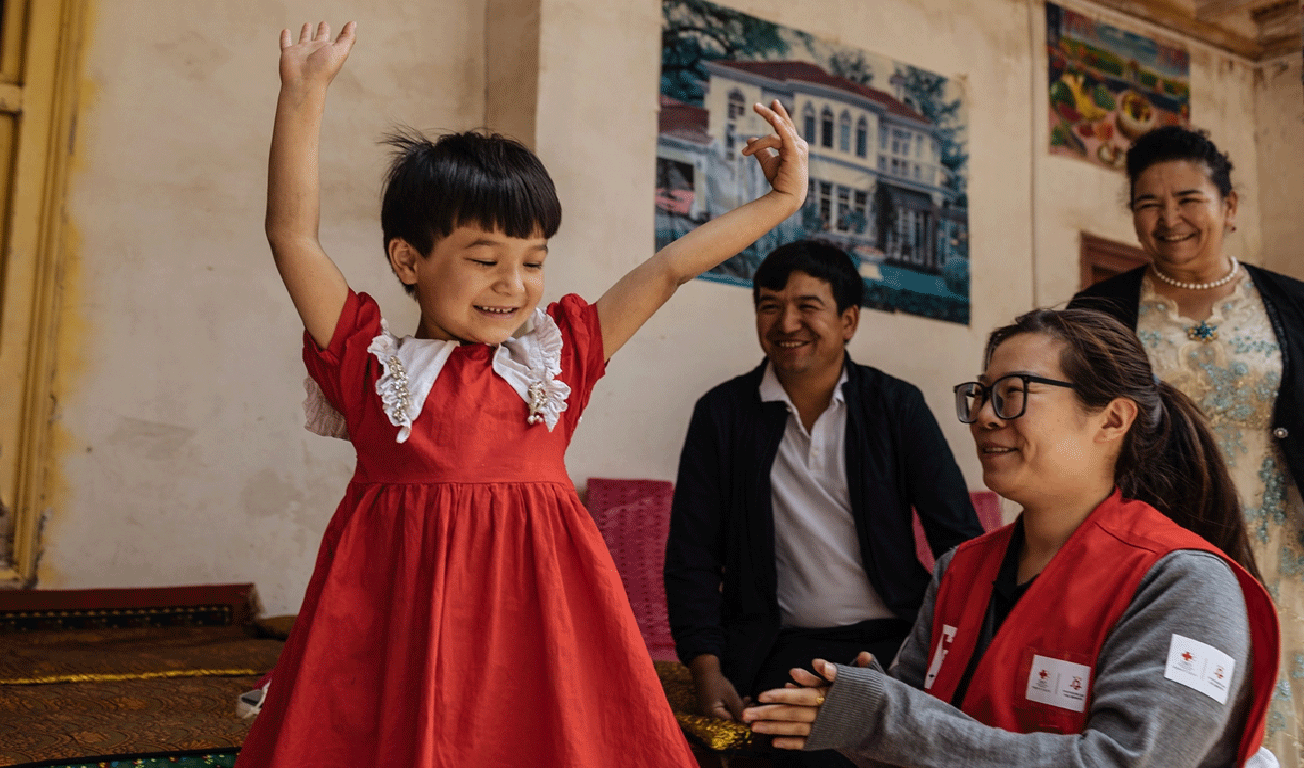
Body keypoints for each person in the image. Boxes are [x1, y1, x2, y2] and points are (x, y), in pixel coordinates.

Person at [238, 20, 808, 768]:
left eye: (533, 261)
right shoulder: (370, 367)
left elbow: (669, 268)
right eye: (484, 259)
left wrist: (782, 200)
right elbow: (293, 238)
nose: (514, 285)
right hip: (400, 629)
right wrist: (303, 94)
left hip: (541, 628)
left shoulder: (557, 361)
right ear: (407, 260)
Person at [741, 307, 1280, 767]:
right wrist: (849, 714)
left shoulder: (1184, 583)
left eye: (1013, 394)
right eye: (980, 395)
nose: (983, 417)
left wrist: (885, 720)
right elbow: (912, 741)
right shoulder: (960, 570)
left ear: (1112, 420)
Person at [664, 240, 981, 766]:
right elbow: (692, 558)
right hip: (777, 648)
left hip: (893, 645)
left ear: (849, 320)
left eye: (807, 306)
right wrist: (706, 668)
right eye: (769, 306)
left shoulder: (895, 406)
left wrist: (960, 653)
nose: (786, 323)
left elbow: (961, 542)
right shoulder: (722, 415)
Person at [1069, 125, 1304, 761]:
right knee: (1175, 707)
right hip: (1163, 544)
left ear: (1228, 206)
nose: (1168, 219)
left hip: (1285, 545)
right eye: (1148, 203)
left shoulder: (1292, 305)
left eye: (1188, 199)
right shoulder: (1098, 313)